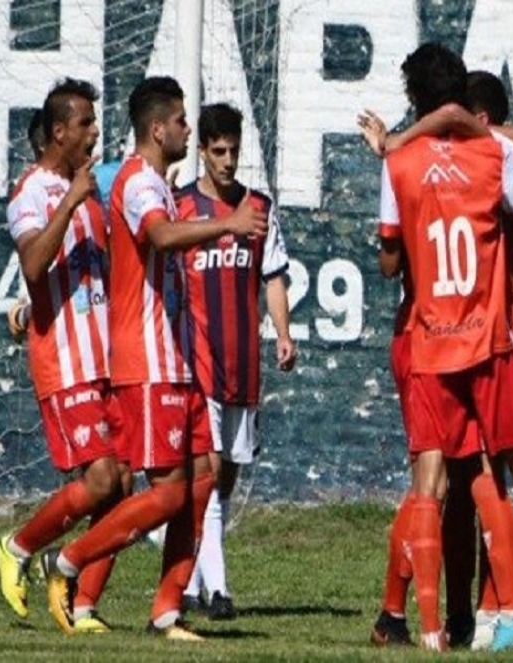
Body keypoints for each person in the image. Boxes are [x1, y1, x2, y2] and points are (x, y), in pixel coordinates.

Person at [375, 42, 513, 653]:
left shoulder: (398, 164)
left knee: (431, 483)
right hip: (492, 338)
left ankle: (427, 629)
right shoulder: (495, 154)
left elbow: (390, 263)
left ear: (415, 98)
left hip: (429, 344)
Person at [42, 76, 268, 641]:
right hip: (145, 362)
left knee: (203, 478)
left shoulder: (159, 183)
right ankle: (66, 562)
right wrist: (228, 224)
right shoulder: (141, 182)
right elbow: (162, 237)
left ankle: (166, 610)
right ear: (157, 128)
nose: (189, 130)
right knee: (166, 491)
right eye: (184, 122)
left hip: (175, 358)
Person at [0, 77, 125, 634]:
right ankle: (19, 547)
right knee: (100, 480)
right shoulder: (32, 190)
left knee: (122, 483)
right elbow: (33, 264)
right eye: (86, 124)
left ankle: (79, 596)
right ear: (59, 131)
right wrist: (71, 200)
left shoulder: (89, 187)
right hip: (65, 360)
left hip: (106, 360)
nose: (95, 132)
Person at [175, 102, 297, 620]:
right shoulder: (180, 208)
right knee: (210, 468)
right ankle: (218, 590)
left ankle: (188, 582)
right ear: (202, 150)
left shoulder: (259, 209)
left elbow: (273, 277)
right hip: (198, 359)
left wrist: (284, 334)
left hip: (243, 364)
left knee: (225, 480)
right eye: (217, 151)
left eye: (233, 151)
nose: (226, 161)